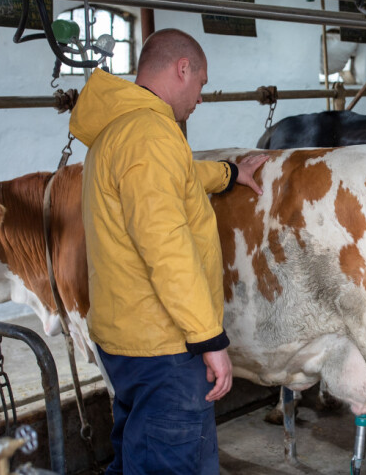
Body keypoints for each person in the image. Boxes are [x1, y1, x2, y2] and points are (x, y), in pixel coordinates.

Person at [69, 28, 268, 475]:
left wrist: (227, 173)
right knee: (174, 461)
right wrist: (209, 339)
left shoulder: (120, 130)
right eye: (201, 83)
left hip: (127, 340)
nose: (200, 97)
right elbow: (166, 246)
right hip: (164, 346)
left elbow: (170, 180)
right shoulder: (151, 134)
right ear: (182, 69)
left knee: (137, 453)